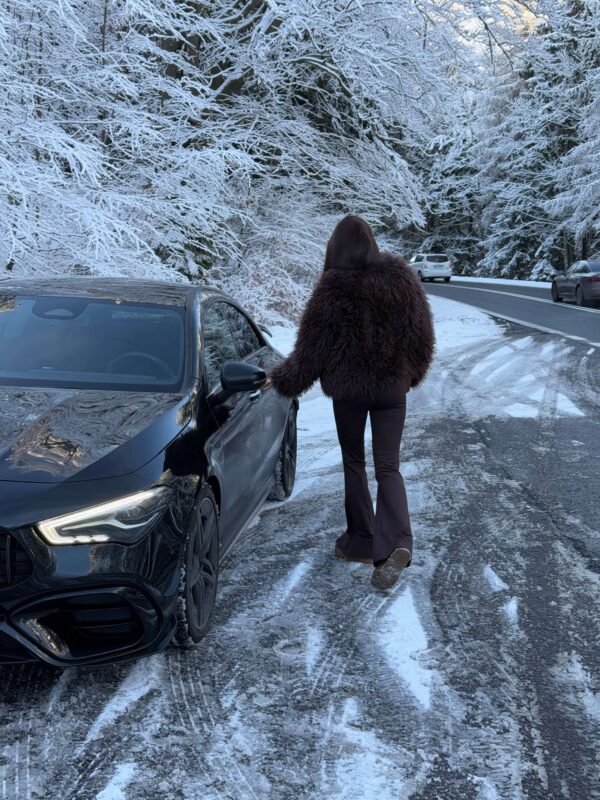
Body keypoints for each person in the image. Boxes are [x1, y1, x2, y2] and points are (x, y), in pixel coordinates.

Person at [269, 215, 435, 590]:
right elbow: (422, 334)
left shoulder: (332, 288)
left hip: (350, 391)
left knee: (354, 461)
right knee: (389, 467)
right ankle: (395, 543)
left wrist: (281, 381)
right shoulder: (401, 279)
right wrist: (412, 375)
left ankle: (361, 541)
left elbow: (311, 353)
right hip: (392, 389)